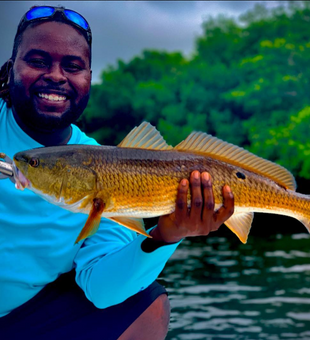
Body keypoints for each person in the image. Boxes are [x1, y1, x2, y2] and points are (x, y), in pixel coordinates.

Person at [0, 6, 234, 340]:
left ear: (89, 78)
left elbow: (103, 290)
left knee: (147, 304)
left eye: (73, 66)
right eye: (37, 61)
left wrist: (167, 235)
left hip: (24, 318)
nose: (55, 75)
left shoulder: (109, 170)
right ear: (11, 68)